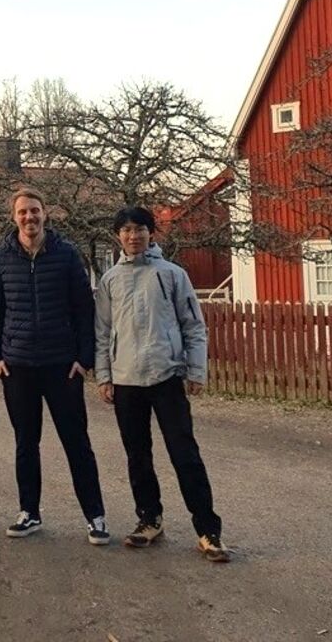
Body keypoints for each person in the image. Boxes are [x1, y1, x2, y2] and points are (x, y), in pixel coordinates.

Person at [95, 207, 228, 563]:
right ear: (117, 236)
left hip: (166, 376)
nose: (133, 236)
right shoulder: (110, 280)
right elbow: (103, 332)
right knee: (137, 455)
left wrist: (196, 370)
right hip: (126, 380)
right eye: (125, 230)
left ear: (151, 233)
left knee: (184, 453)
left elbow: (193, 325)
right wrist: (104, 375)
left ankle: (207, 528)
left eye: (139, 229)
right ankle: (149, 519)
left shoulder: (171, 275)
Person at [0, 188, 108, 543]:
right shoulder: (1, 258)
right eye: (23, 212)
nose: (30, 217)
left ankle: (95, 516)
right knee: (26, 442)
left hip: (61, 365)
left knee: (77, 442)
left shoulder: (67, 255)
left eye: (35, 211)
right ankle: (29, 512)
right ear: (13, 217)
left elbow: (84, 310)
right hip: (18, 366)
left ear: (45, 215)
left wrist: (84, 359)